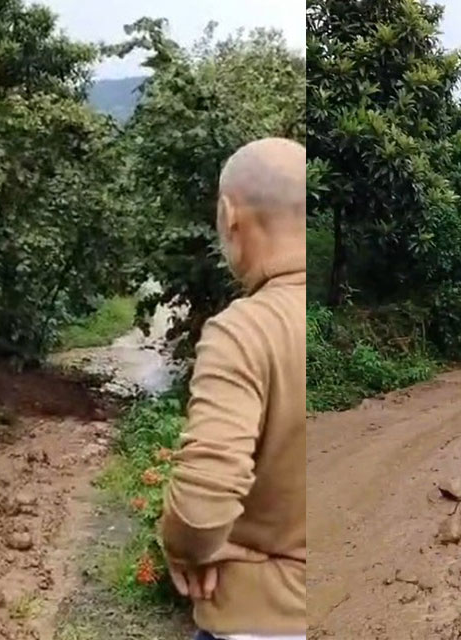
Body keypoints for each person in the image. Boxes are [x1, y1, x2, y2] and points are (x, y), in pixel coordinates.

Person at [158, 137, 306, 640]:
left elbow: (202, 503)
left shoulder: (244, 330)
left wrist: (183, 545)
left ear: (229, 217)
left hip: (257, 620)